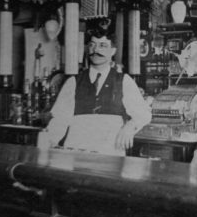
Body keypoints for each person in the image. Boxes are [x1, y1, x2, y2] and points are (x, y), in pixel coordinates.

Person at [38, 22, 151, 154]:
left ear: (113, 50)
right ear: (87, 48)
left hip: (110, 154)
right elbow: (59, 121)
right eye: (92, 45)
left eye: (103, 45)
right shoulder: (73, 82)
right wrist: (47, 143)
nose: (96, 50)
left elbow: (143, 114)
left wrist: (130, 126)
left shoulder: (124, 81)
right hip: (77, 153)